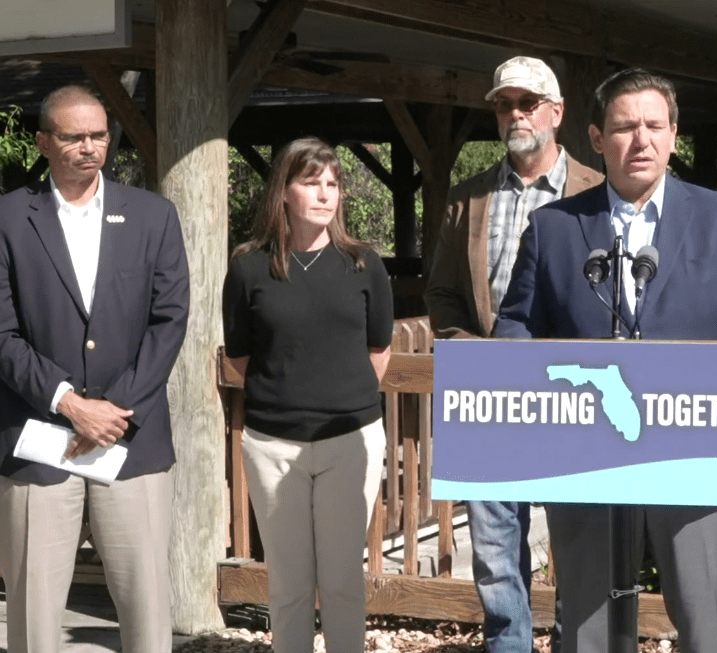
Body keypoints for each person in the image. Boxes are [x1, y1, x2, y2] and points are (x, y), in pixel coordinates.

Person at [493, 68, 717, 653]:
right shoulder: (554, 228)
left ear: (675, 135)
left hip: (701, 447)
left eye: (655, 126)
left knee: (706, 618)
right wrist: (517, 368)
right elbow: (518, 324)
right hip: (583, 452)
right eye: (626, 127)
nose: (642, 140)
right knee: (587, 623)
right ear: (595, 137)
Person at [0, 85, 189, 653]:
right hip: (39, 439)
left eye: (99, 134)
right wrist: (69, 403)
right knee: (34, 618)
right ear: (42, 141)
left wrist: (114, 411)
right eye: (73, 136)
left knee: (149, 612)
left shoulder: (153, 215)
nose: (89, 146)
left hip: (132, 438)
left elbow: (169, 320)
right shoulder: (8, 217)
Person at [425, 55, 602, 653]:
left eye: (527, 102)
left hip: (575, 393)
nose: (515, 113)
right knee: (496, 546)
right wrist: (473, 353)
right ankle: (509, 645)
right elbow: (443, 294)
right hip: (488, 390)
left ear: (556, 112)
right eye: (504, 103)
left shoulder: (598, 194)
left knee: (577, 539)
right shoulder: (466, 198)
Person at [223, 137, 394, 653]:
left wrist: (338, 398)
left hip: (350, 442)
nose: (325, 194)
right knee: (290, 585)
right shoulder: (249, 268)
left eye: (333, 184)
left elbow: (379, 352)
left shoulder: (365, 265)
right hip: (272, 447)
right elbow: (240, 357)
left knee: (342, 581)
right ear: (283, 193)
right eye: (310, 182)